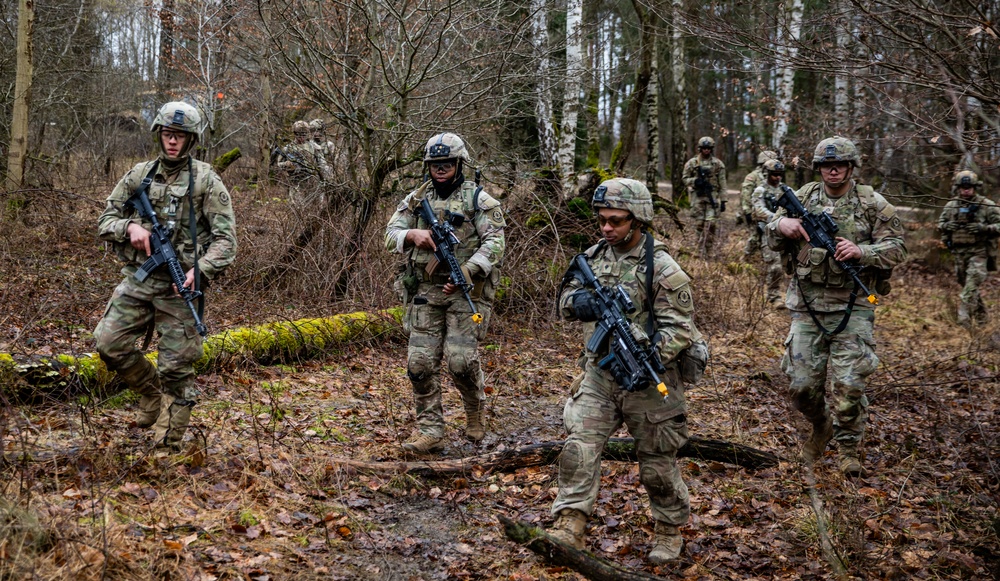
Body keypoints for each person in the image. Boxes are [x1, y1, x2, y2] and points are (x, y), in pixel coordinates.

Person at [548, 178, 701, 564]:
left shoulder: (662, 267)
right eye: (602, 220)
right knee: (578, 448)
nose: (606, 228)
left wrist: (648, 348)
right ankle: (570, 524)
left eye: (615, 221)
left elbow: (681, 329)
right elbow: (565, 300)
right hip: (599, 374)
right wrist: (586, 303)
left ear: (638, 220)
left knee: (657, 466)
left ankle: (668, 530)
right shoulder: (593, 256)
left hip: (649, 379)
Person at [94, 101, 238, 451]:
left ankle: (166, 447)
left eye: (181, 136)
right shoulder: (139, 175)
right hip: (141, 278)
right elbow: (104, 221)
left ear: (192, 140)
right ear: (159, 135)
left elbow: (226, 241)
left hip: (180, 286)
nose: (173, 141)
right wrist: (129, 226)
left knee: (176, 367)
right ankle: (150, 393)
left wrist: (198, 271)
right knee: (108, 343)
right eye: (168, 134)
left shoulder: (206, 179)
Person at [765, 136, 906, 476]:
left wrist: (862, 252)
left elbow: (899, 248)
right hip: (807, 306)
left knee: (849, 388)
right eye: (827, 165)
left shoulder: (872, 204)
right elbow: (771, 237)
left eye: (840, 164)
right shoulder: (802, 198)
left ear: (851, 166)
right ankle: (821, 425)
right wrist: (779, 224)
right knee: (801, 386)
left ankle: (848, 447)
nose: (833, 170)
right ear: (818, 168)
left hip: (854, 306)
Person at [384, 133, 506, 454]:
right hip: (424, 292)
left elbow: (496, 243)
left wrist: (467, 270)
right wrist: (413, 234)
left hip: (464, 290)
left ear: (459, 163)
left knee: (461, 362)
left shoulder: (478, 200)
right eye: (435, 164)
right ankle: (431, 431)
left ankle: (474, 410)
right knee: (419, 364)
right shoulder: (415, 199)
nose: (440, 169)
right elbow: (390, 234)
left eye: (447, 163)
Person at [938, 170, 1000, 327]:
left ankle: (963, 319)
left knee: (971, 284)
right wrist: (946, 226)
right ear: (958, 188)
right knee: (967, 286)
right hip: (959, 253)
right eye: (963, 187)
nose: (966, 190)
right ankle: (982, 320)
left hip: (979, 253)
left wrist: (984, 228)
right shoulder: (951, 206)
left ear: (975, 187)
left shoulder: (986, 205)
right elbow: (941, 224)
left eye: (969, 186)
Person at [751, 159, 789, 308]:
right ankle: (774, 296)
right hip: (769, 233)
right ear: (767, 174)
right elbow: (759, 211)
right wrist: (779, 220)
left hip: (787, 233)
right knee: (775, 267)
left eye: (780, 174)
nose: (777, 178)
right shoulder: (760, 190)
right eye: (774, 174)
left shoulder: (786, 190)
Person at [682, 137, 727, 256]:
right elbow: (684, 179)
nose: (706, 150)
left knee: (712, 224)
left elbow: (722, 183)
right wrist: (695, 181)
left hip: (712, 196)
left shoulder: (718, 164)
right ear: (700, 149)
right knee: (699, 224)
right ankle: (698, 249)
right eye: (704, 148)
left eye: (708, 148)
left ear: (711, 149)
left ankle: (709, 249)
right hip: (697, 197)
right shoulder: (692, 163)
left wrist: (723, 200)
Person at [278, 120, 332, 207]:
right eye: (298, 134)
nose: (301, 137)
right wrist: (287, 165)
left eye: (304, 134)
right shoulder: (288, 148)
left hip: (313, 180)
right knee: (297, 207)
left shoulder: (314, 147)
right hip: (296, 183)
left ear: (307, 133)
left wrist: (326, 179)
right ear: (294, 134)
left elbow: (322, 164)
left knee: (316, 206)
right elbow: (279, 164)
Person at [741, 150, 778, 257]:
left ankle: (766, 257)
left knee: (767, 236)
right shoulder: (752, 177)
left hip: (770, 212)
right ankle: (747, 256)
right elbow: (746, 195)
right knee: (755, 236)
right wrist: (747, 212)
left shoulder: (774, 175)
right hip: (756, 212)